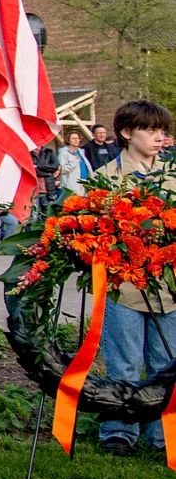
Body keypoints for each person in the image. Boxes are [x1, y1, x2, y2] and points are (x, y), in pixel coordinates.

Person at [94, 99, 176, 457]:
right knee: (123, 360)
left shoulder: (173, 177)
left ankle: (163, 434)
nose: (160, 137)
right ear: (127, 133)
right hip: (123, 288)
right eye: (151, 130)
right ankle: (119, 431)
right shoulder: (106, 179)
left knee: (166, 363)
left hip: (169, 290)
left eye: (163, 131)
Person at [56, 128, 93, 194]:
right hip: (72, 184)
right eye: (73, 139)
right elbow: (62, 169)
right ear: (68, 140)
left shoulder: (81, 151)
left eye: (77, 138)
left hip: (85, 183)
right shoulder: (64, 152)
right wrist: (73, 163)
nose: (76, 140)